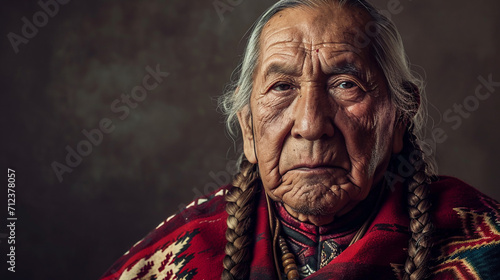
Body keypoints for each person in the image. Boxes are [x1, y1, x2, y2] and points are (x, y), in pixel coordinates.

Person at [100, 0, 500, 279]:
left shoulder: (486, 245)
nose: (310, 124)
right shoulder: (182, 254)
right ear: (248, 131)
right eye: (281, 87)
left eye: (346, 84)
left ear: (400, 118)